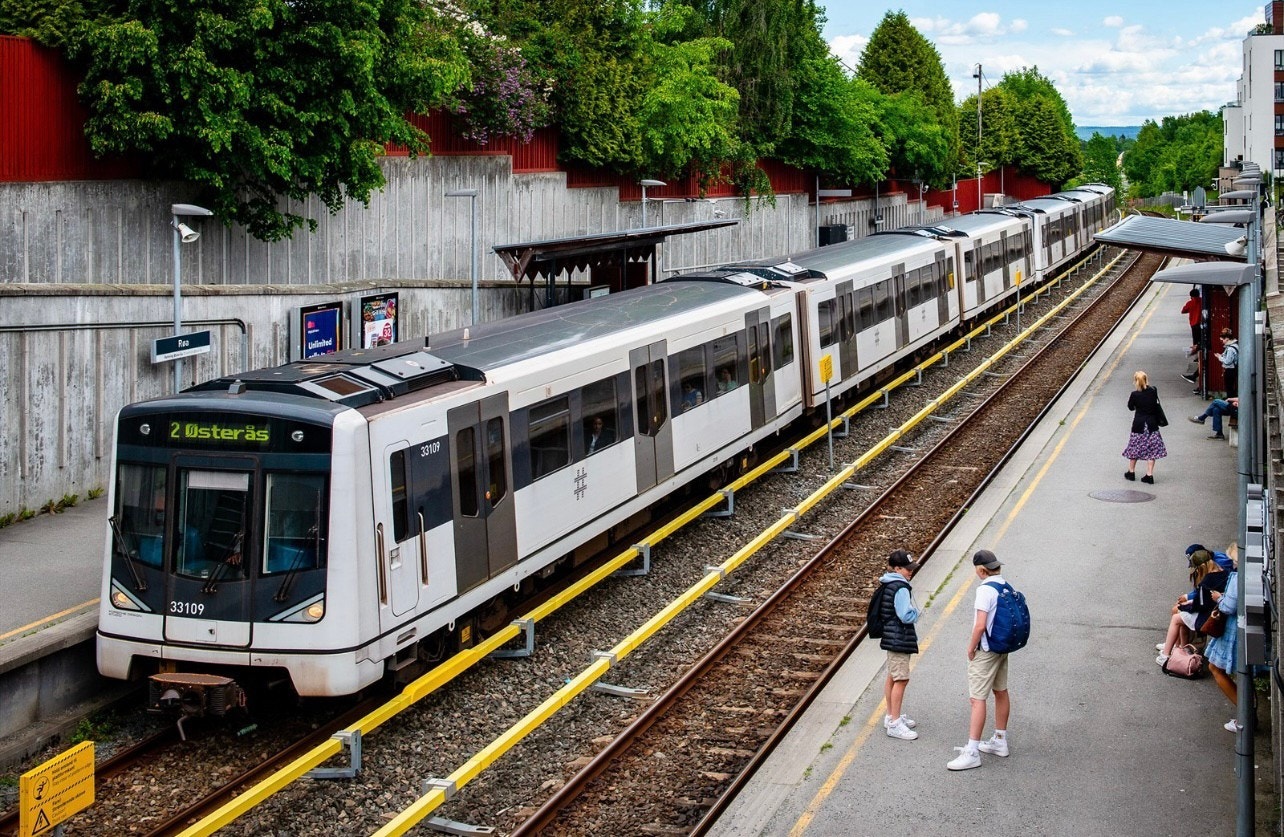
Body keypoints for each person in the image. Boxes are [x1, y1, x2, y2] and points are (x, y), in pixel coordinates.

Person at [947, 550, 1013, 771]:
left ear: (981, 570)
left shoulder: (984, 590)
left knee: (977, 699)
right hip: (1002, 647)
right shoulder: (1005, 585)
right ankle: (1000, 740)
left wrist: (971, 647)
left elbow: (980, 625)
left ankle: (972, 751)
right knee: (1000, 691)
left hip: (986, 650)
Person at [875, 549, 921, 741]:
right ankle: (894, 723)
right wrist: (917, 613)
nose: (911, 571)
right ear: (897, 568)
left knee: (893, 677)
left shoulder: (888, 583)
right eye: (907, 568)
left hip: (891, 636)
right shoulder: (900, 587)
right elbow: (904, 614)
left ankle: (891, 715)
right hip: (899, 637)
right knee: (901, 679)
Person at [1156, 549, 1228, 666]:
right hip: (1217, 612)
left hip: (1206, 617)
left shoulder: (1206, 581)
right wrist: (1189, 602)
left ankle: (1165, 655)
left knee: (1176, 618)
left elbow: (1201, 605)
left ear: (1200, 567)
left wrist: (1186, 606)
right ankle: (1182, 650)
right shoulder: (1224, 573)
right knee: (1181, 618)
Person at [1204, 545, 1240, 731]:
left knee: (1216, 667)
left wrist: (1219, 598)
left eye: (1234, 560)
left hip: (1234, 630)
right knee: (1243, 676)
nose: (1232, 564)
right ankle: (1246, 713)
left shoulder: (1237, 578)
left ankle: (1245, 716)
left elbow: (1228, 607)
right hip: (1242, 626)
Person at [1123, 370, 1167, 485]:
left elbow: (1130, 407)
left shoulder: (1134, 394)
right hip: (1152, 425)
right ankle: (1149, 475)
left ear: (1135, 381)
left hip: (1139, 425)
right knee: (1152, 450)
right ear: (1146, 380)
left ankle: (1131, 472)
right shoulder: (1153, 391)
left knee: (1134, 448)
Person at [1180, 288, 1201, 385]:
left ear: (1191, 296)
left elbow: (1183, 311)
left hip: (1194, 324)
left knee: (1196, 342)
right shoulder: (1202, 301)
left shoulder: (1190, 303)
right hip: (1202, 325)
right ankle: (1198, 354)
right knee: (1199, 342)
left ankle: (1197, 355)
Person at [1215, 328, 1239, 398]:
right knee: (1231, 387)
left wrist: (1219, 357)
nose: (1222, 341)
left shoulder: (1230, 348)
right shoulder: (1234, 345)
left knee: (1229, 387)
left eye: (1222, 340)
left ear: (1227, 339)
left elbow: (1228, 361)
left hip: (1230, 370)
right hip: (1233, 369)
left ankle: (1230, 402)